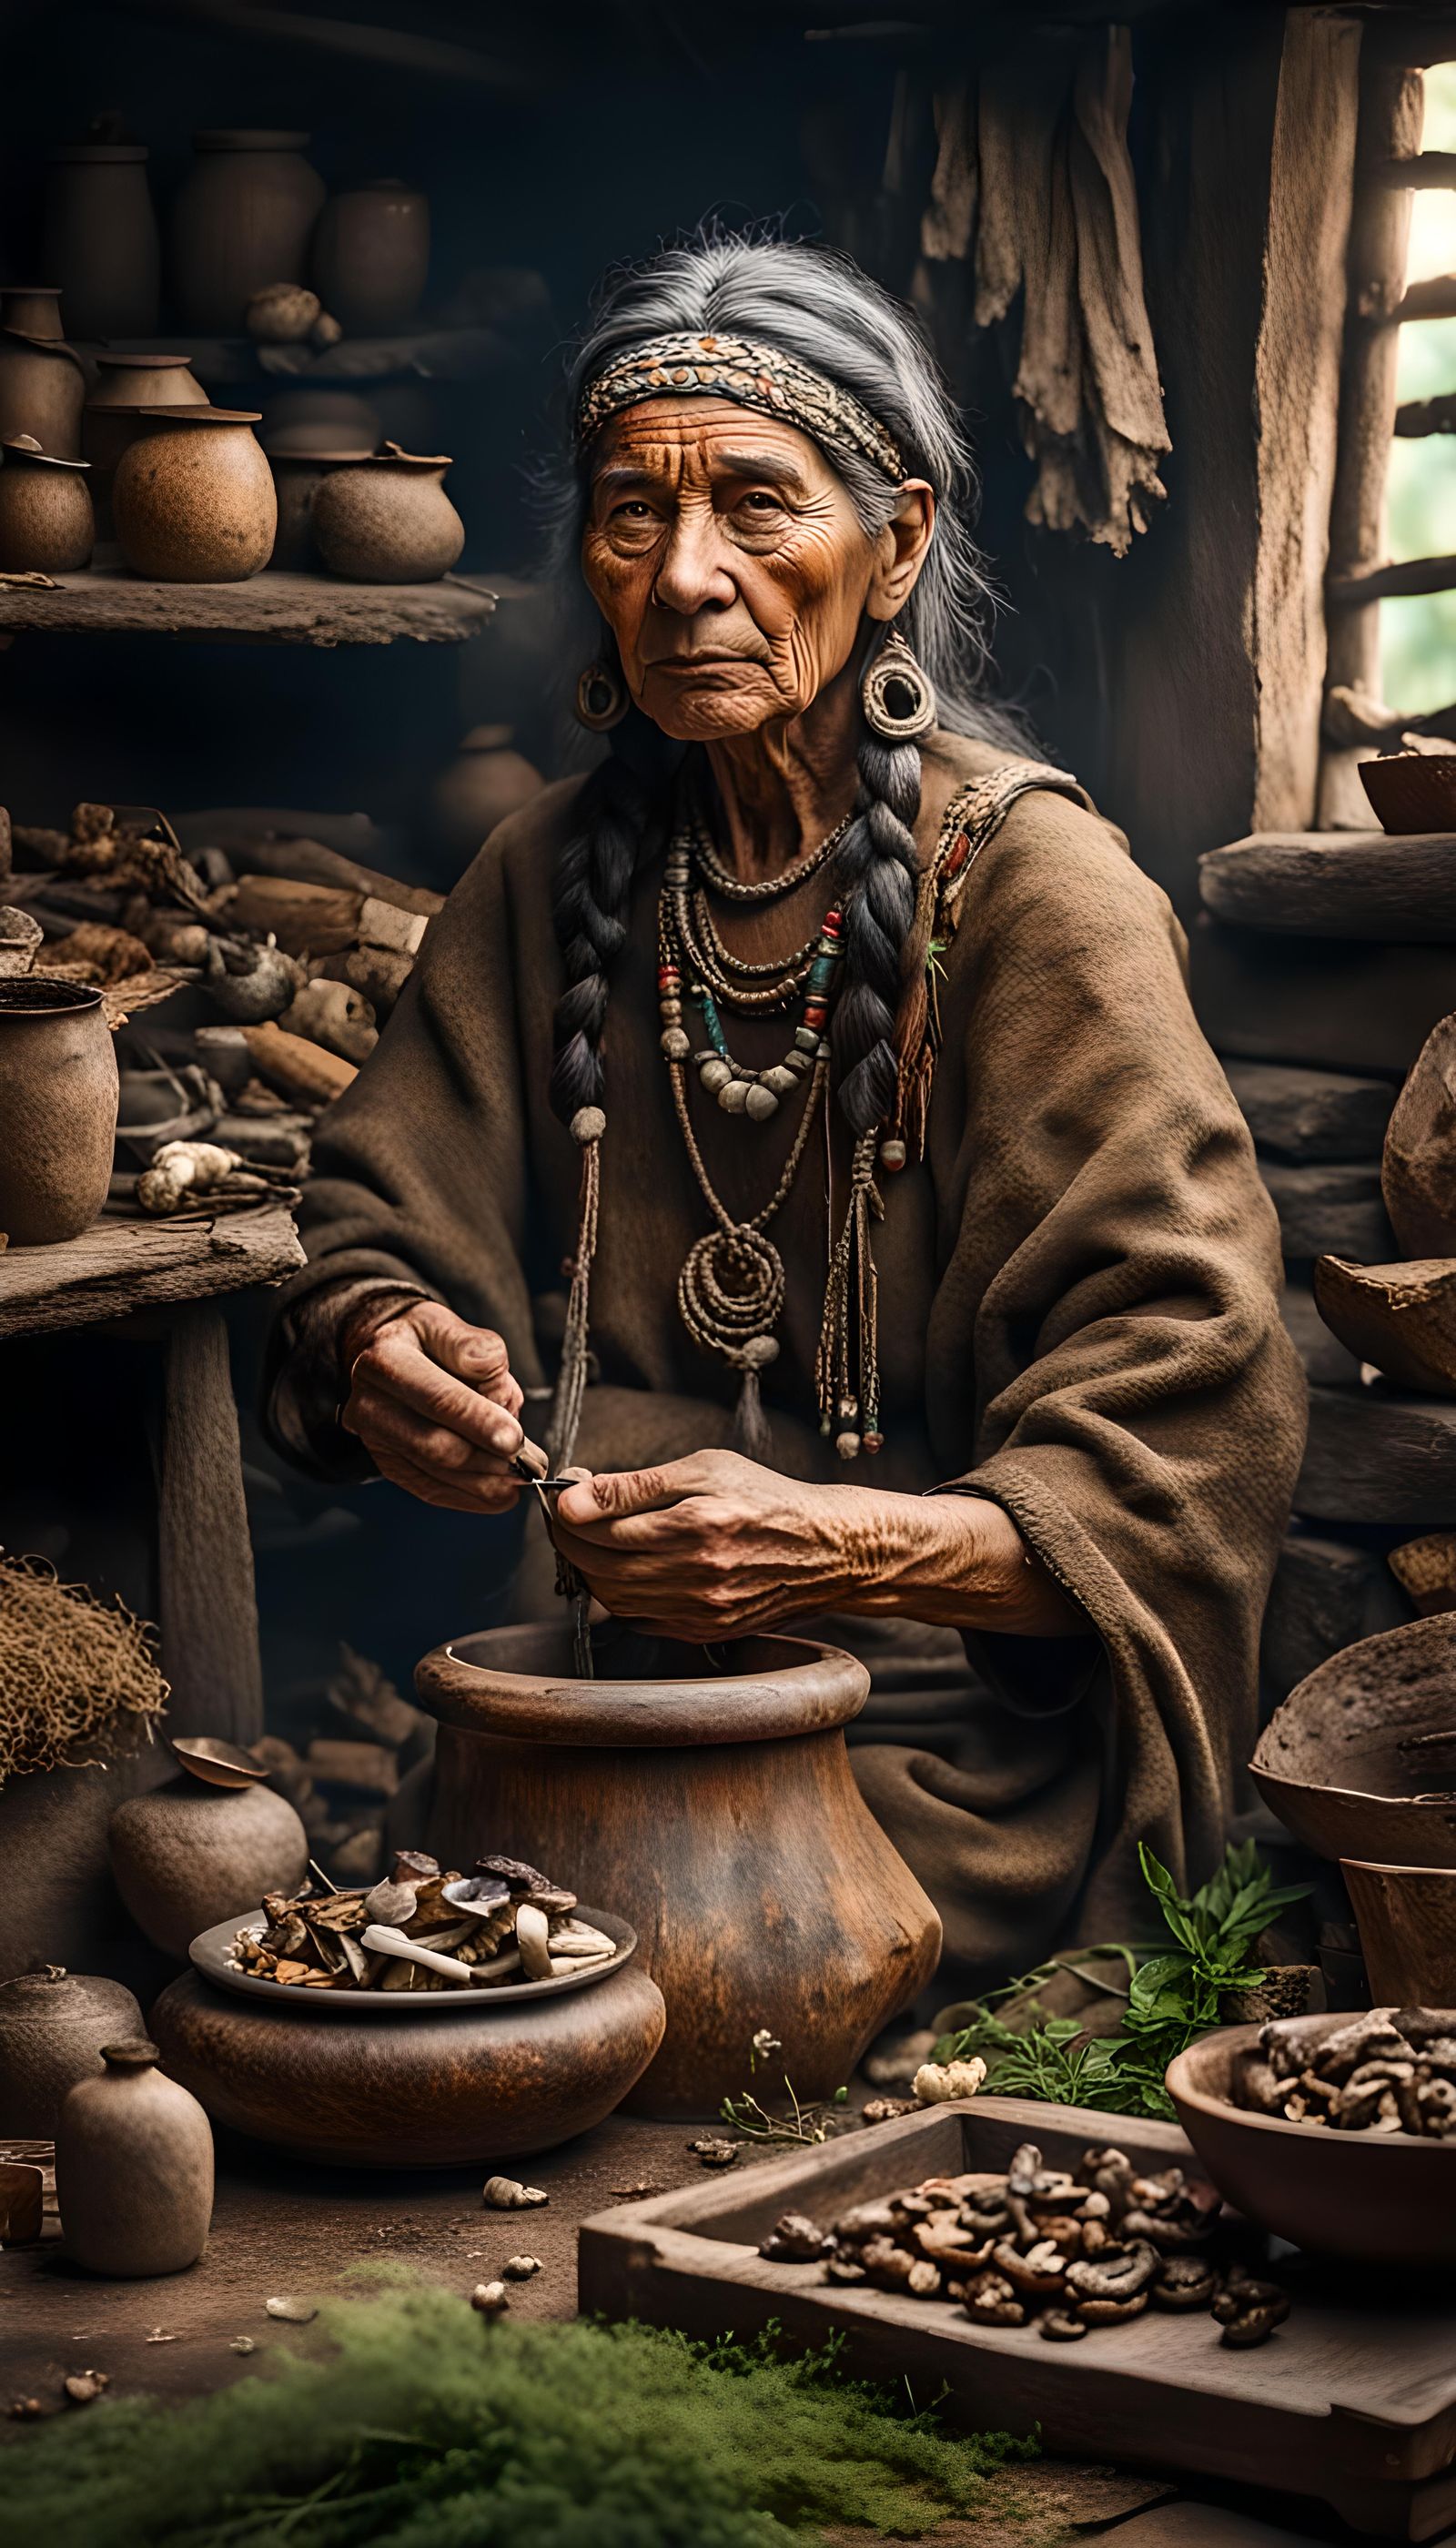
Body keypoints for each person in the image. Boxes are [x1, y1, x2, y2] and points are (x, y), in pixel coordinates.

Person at [266, 231, 1305, 1983]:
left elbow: (1189, 1433)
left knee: (649, 1988)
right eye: (629, 518)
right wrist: (382, 1345)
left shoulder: (1038, 895)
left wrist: (838, 1543)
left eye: (757, 507)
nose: (684, 579)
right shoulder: (550, 878)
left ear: (892, 546)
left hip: (940, 1767)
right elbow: (371, 1223)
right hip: (579, 1724)